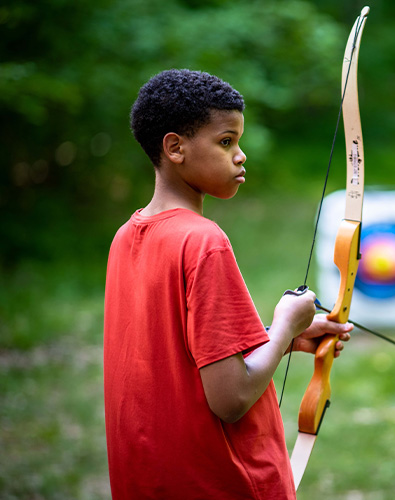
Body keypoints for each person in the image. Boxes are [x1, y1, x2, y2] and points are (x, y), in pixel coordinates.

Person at [103, 68, 352, 499]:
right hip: (219, 483)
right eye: (226, 141)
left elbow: (177, 356)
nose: (241, 155)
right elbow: (231, 398)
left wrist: (282, 338)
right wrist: (283, 326)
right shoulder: (203, 241)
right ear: (175, 148)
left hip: (150, 481)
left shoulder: (127, 236)